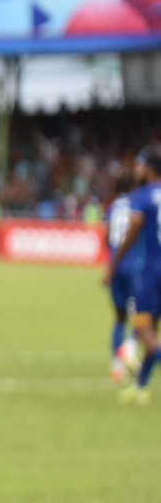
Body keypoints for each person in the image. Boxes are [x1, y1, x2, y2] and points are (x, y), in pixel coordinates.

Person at [108, 149, 161, 405]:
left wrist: (115, 262)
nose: (137, 170)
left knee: (143, 330)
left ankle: (132, 369)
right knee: (153, 330)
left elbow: (134, 228)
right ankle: (140, 387)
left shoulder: (143, 196)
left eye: (140, 165)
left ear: (150, 169)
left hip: (150, 274)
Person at [105, 174, 146, 383]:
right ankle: (129, 348)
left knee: (120, 318)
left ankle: (117, 368)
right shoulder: (139, 203)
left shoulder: (114, 207)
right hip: (134, 264)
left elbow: (107, 237)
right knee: (145, 315)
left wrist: (110, 267)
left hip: (115, 264)